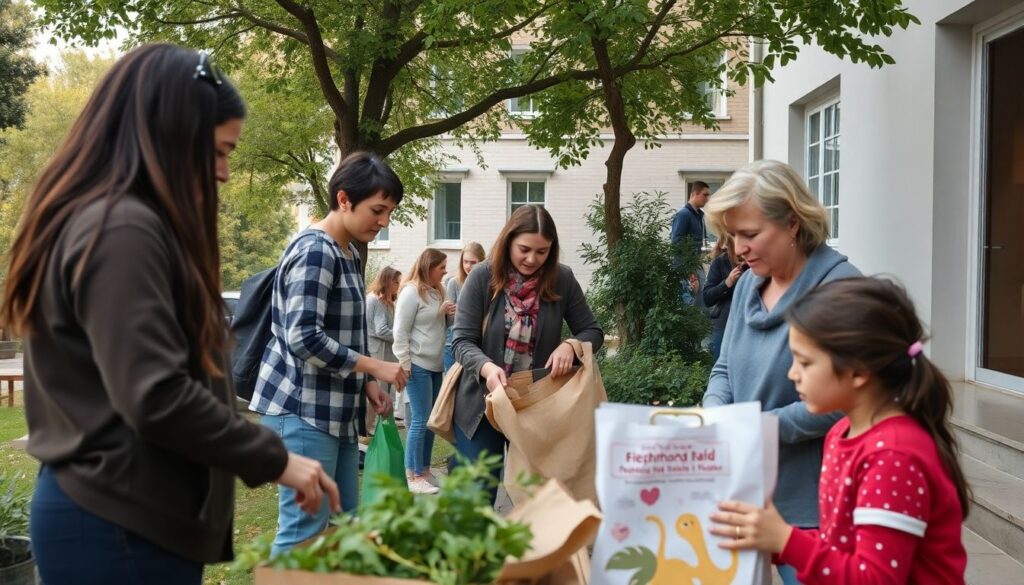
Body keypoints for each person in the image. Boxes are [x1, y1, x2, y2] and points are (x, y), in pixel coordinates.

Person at [0, 45, 339, 585]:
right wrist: (273, 458)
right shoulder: (122, 229)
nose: (225, 173)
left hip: (124, 519)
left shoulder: (115, 221)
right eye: (219, 152)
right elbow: (154, 393)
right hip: (118, 527)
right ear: (168, 136)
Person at [710, 277, 970, 585]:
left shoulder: (892, 456)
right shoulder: (842, 432)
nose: (793, 374)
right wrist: (766, 542)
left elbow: (875, 578)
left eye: (805, 363)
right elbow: (842, 542)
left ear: (858, 371)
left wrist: (785, 540)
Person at [701, 159, 861, 585]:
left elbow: (851, 400)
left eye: (750, 234)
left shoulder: (841, 289)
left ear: (792, 223)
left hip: (811, 505)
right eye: (733, 235)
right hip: (742, 493)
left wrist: (757, 427)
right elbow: (724, 366)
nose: (738, 248)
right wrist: (715, 411)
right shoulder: (749, 284)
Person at [250, 151, 408, 554]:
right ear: (343, 199)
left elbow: (347, 331)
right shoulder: (316, 250)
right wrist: (376, 365)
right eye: (377, 209)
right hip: (300, 412)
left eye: (388, 211)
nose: (384, 221)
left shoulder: (349, 251)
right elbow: (303, 336)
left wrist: (368, 381)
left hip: (334, 413)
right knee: (303, 533)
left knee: (341, 527)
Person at [451, 205, 603, 503]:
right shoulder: (482, 276)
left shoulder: (562, 279)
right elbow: (461, 341)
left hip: (536, 409)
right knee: (473, 500)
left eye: (542, 252)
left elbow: (592, 332)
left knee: (538, 500)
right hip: (481, 406)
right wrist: (486, 368)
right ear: (508, 241)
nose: (532, 259)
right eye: (524, 249)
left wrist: (571, 345)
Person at [393, 248, 454, 494]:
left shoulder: (439, 290)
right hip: (416, 364)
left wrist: (448, 315)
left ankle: (425, 471)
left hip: (435, 364)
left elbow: (440, 325)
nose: (445, 271)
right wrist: (405, 365)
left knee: (431, 421)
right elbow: (400, 333)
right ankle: (412, 475)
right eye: (441, 267)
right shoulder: (410, 292)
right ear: (429, 268)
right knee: (419, 419)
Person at [366, 266, 402, 430]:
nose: (397, 285)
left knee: (384, 391)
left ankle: (380, 426)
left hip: (385, 352)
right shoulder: (376, 299)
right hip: (376, 351)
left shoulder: (388, 301)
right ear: (386, 281)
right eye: (395, 282)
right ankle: (368, 427)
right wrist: (402, 336)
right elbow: (380, 330)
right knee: (376, 390)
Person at [443, 242, 486, 373]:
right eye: (465, 262)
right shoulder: (454, 283)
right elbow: (451, 319)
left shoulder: (487, 284)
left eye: (473, 262)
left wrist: (463, 311)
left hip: (479, 343)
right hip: (454, 341)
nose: (468, 266)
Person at [702, 236, 745, 362]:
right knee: (722, 367)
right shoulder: (720, 262)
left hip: (749, 325)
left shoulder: (757, 265)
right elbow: (707, 298)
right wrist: (727, 282)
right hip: (725, 325)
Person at [670, 181, 711, 306]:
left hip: (694, 264)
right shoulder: (683, 215)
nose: (707, 198)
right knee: (688, 303)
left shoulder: (699, 216)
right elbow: (676, 242)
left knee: (700, 299)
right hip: (685, 266)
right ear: (694, 194)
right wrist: (689, 270)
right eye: (705, 195)